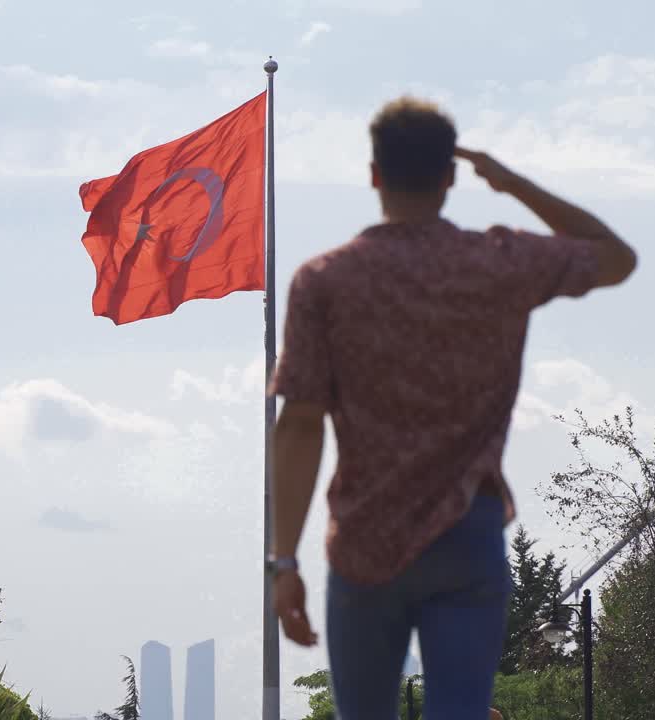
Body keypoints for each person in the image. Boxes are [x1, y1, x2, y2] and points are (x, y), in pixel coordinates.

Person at [267, 97, 636, 720]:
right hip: (468, 534)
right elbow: (615, 257)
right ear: (451, 175)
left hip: (364, 538)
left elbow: (301, 424)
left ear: (374, 174)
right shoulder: (498, 261)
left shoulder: (324, 281)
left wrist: (284, 562)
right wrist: (513, 182)